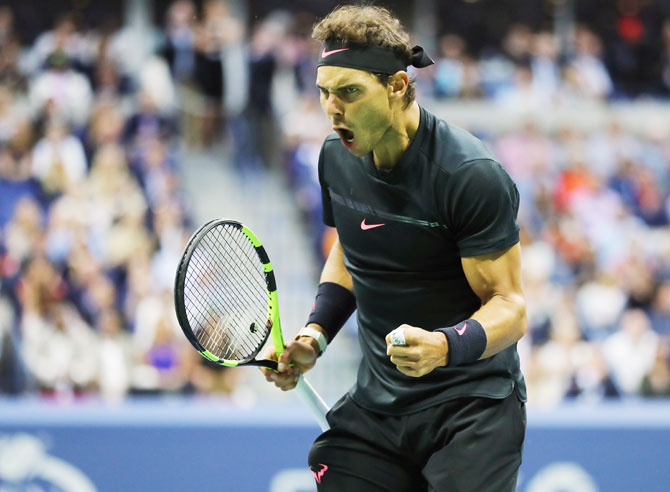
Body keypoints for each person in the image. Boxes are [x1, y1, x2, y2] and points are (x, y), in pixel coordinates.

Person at [261, 6, 527, 491]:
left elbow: (511, 309)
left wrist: (444, 346)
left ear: (398, 86)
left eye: (349, 92)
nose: (332, 108)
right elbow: (351, 246)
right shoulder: (334, 160)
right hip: (379, 407)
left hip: (470, 409)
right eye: (324, 92)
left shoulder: (469, 175)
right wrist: (315, 335)